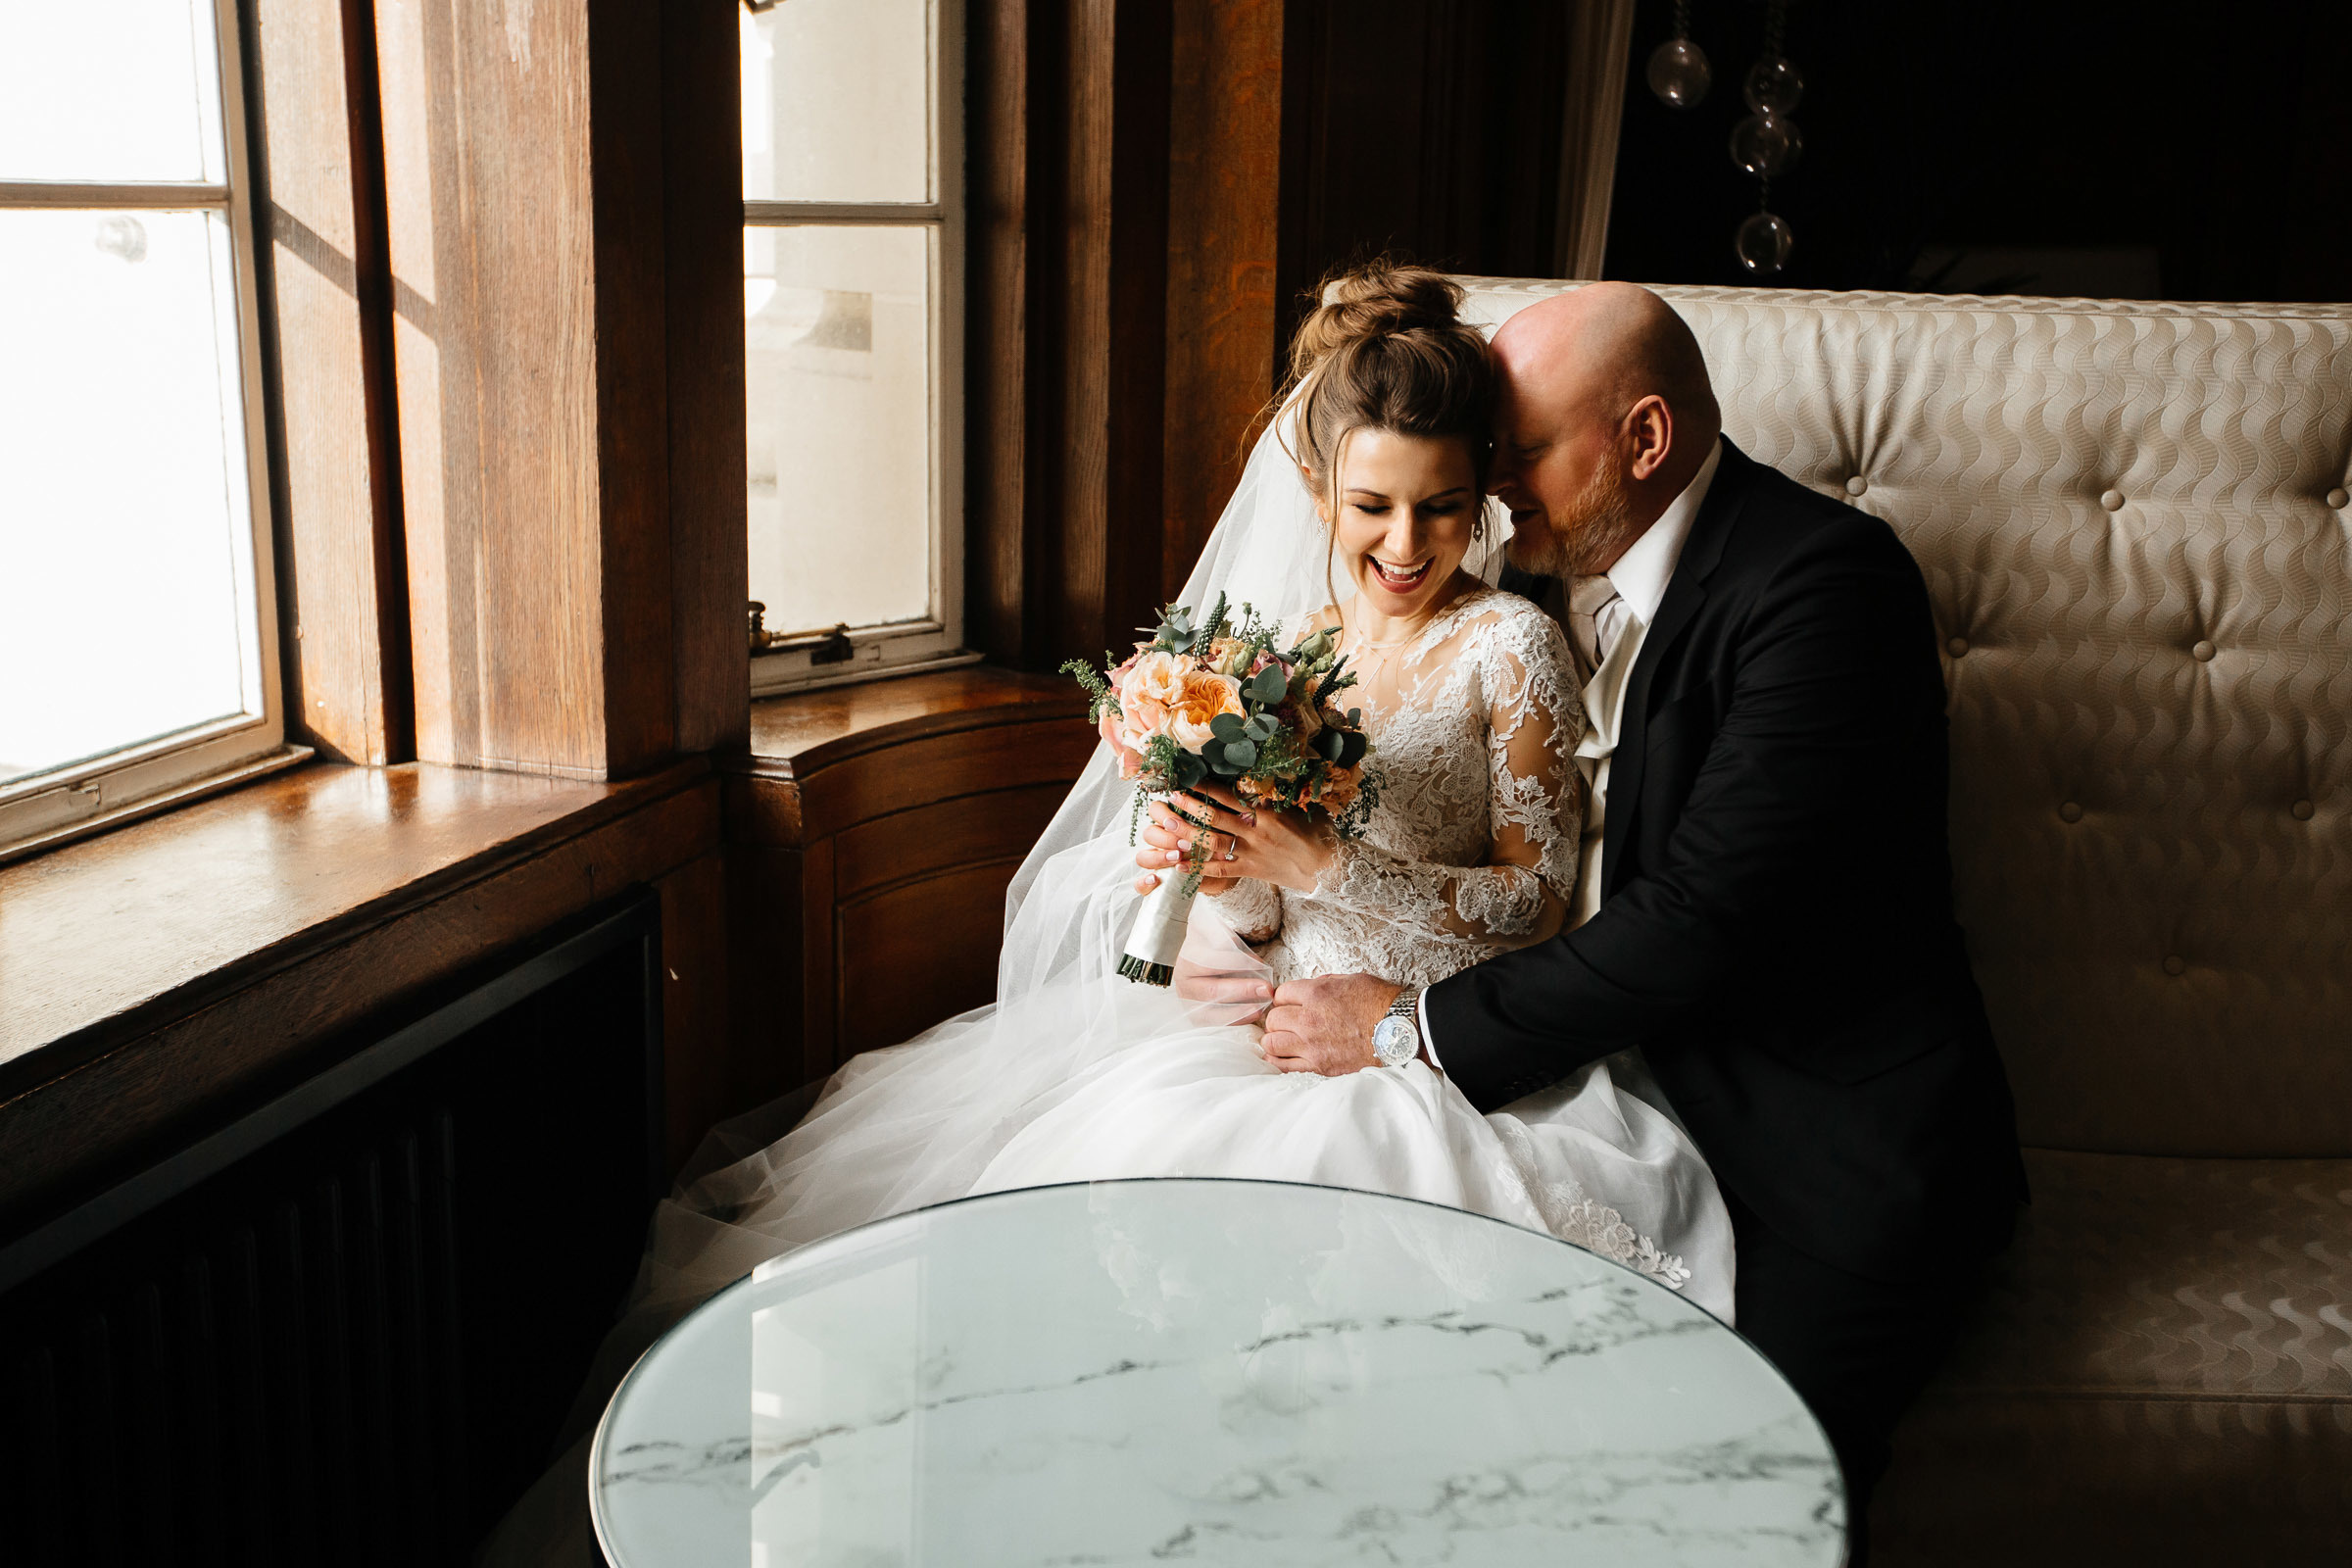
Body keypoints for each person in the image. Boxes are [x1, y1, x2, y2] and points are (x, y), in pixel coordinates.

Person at [478, 266, 1731, 1566]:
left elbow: (1533, 902)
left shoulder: (1507, 649)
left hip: (1422, 1053)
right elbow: (1232, 879)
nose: (1407, 545)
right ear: (1320, 495)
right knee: (1063, 1316)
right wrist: (1215, 884)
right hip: (1247, 1035)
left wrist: (1327, 874)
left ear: (1482, 499)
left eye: (1443, 509)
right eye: (1372, 508)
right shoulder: (1281, 649)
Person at [1251, 281, 2027, 1561]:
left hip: (1818, 1150)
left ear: (1645, 442)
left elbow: (1702, 919)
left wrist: (1410, 1029)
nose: (1492, 485)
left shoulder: (1822, 585)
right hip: (1595, 1099)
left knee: (1728, 1501)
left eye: (1523, 450)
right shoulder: (1534, 576)